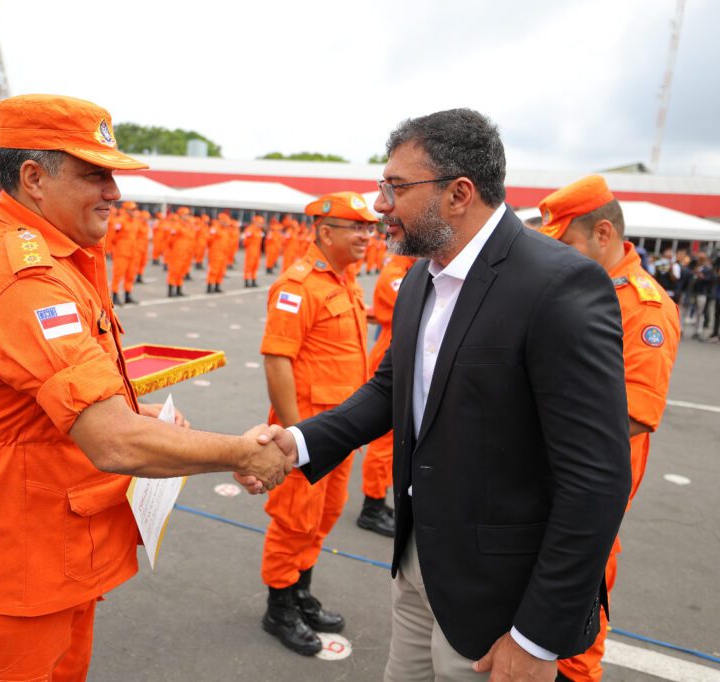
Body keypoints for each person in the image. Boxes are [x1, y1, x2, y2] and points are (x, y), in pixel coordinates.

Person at [238, 109, 630, 681]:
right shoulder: (423, 277)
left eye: (395, 188)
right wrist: (293, 444)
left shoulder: (557, 284)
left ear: (459, 193)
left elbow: (597, 477)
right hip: (418, 560)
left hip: (498, 597)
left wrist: (538, 638)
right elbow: (391, 390)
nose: (379, 206)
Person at [0, 94, 293, 681]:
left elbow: (56, 400)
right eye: (94, 174)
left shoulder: (63, 262)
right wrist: (239, 452)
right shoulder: (31, 282)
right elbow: (114, 443)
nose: (115, 192)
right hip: (15, 559)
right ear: (33, 178)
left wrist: (132, 410)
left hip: (57, 545)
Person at [537, 175, 681, 682]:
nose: (561, 257)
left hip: (588, 492)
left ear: (603, 233)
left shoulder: (643, 305)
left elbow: (636, 414)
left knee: (576, 638)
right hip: (551, 484)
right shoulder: (587, 288)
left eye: (568, 244)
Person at [257, 191, 376, 656]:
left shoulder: (346, 281)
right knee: (293, 521)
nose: (369, 235)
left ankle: (301, 590)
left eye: (370, 227)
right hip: (307, 435)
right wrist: (294, 437)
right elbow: (276, 360)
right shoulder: (297, 286)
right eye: (358, 228)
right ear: (327, 232)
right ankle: (279, 606)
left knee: (323, 517)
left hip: (338, 432)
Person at [357, 250, 415, 538]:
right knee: (383, 442)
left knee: (393, 441)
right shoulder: (396, 274)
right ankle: (372, 507)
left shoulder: (408, 269)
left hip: (399, 352)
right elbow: (415, 308)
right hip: (391, 357)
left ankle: (378, 499)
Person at [242, 215, 265, 287]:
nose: (261, 224)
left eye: (262, 223)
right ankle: (246, 281)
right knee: (249, 266)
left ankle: (253, 281)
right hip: (251, 251)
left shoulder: (260, 231)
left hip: (257, 251)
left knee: (255, 266)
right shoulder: (250, 230)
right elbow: (245, 241)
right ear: (255, 222)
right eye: (260, 223)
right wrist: (249, 248)